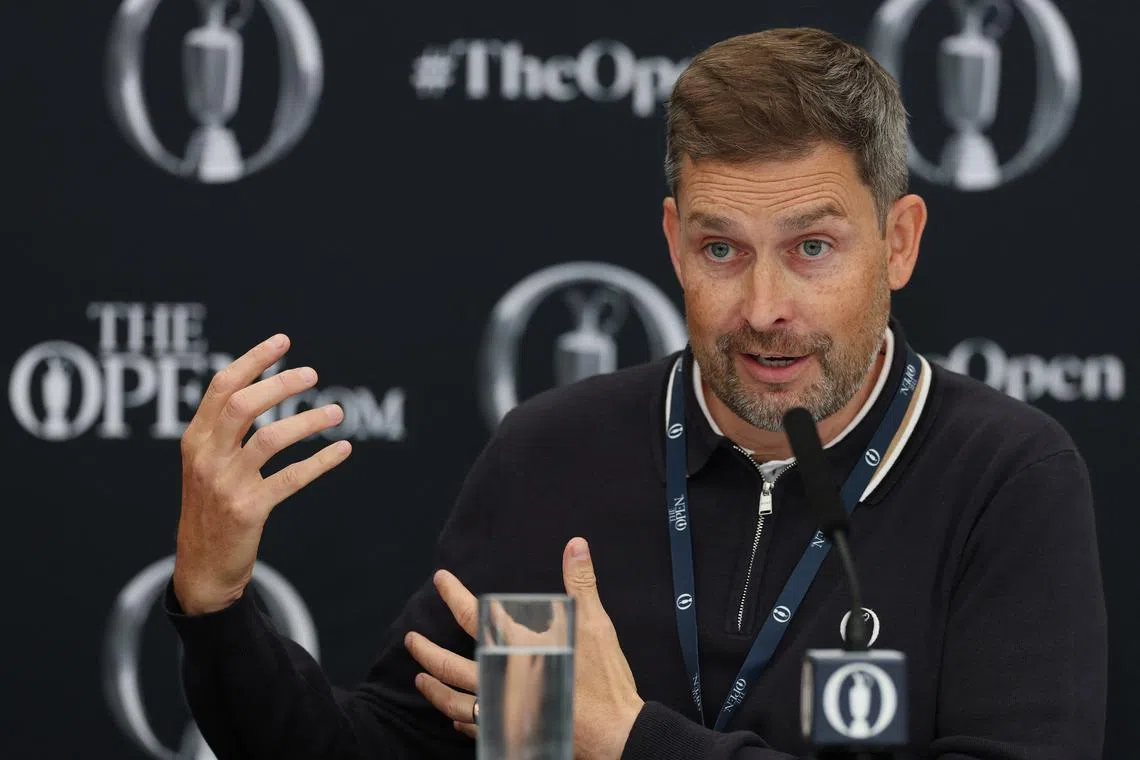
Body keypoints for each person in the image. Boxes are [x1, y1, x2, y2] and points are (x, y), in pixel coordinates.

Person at [166, 27, 1107, 760]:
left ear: (898, 243)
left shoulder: (1003, 477)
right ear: (672, 243)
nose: (765, 308)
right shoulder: (559, 453)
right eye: (721, 249)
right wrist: (215, 606)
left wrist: (629, 743)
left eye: (812, 249)